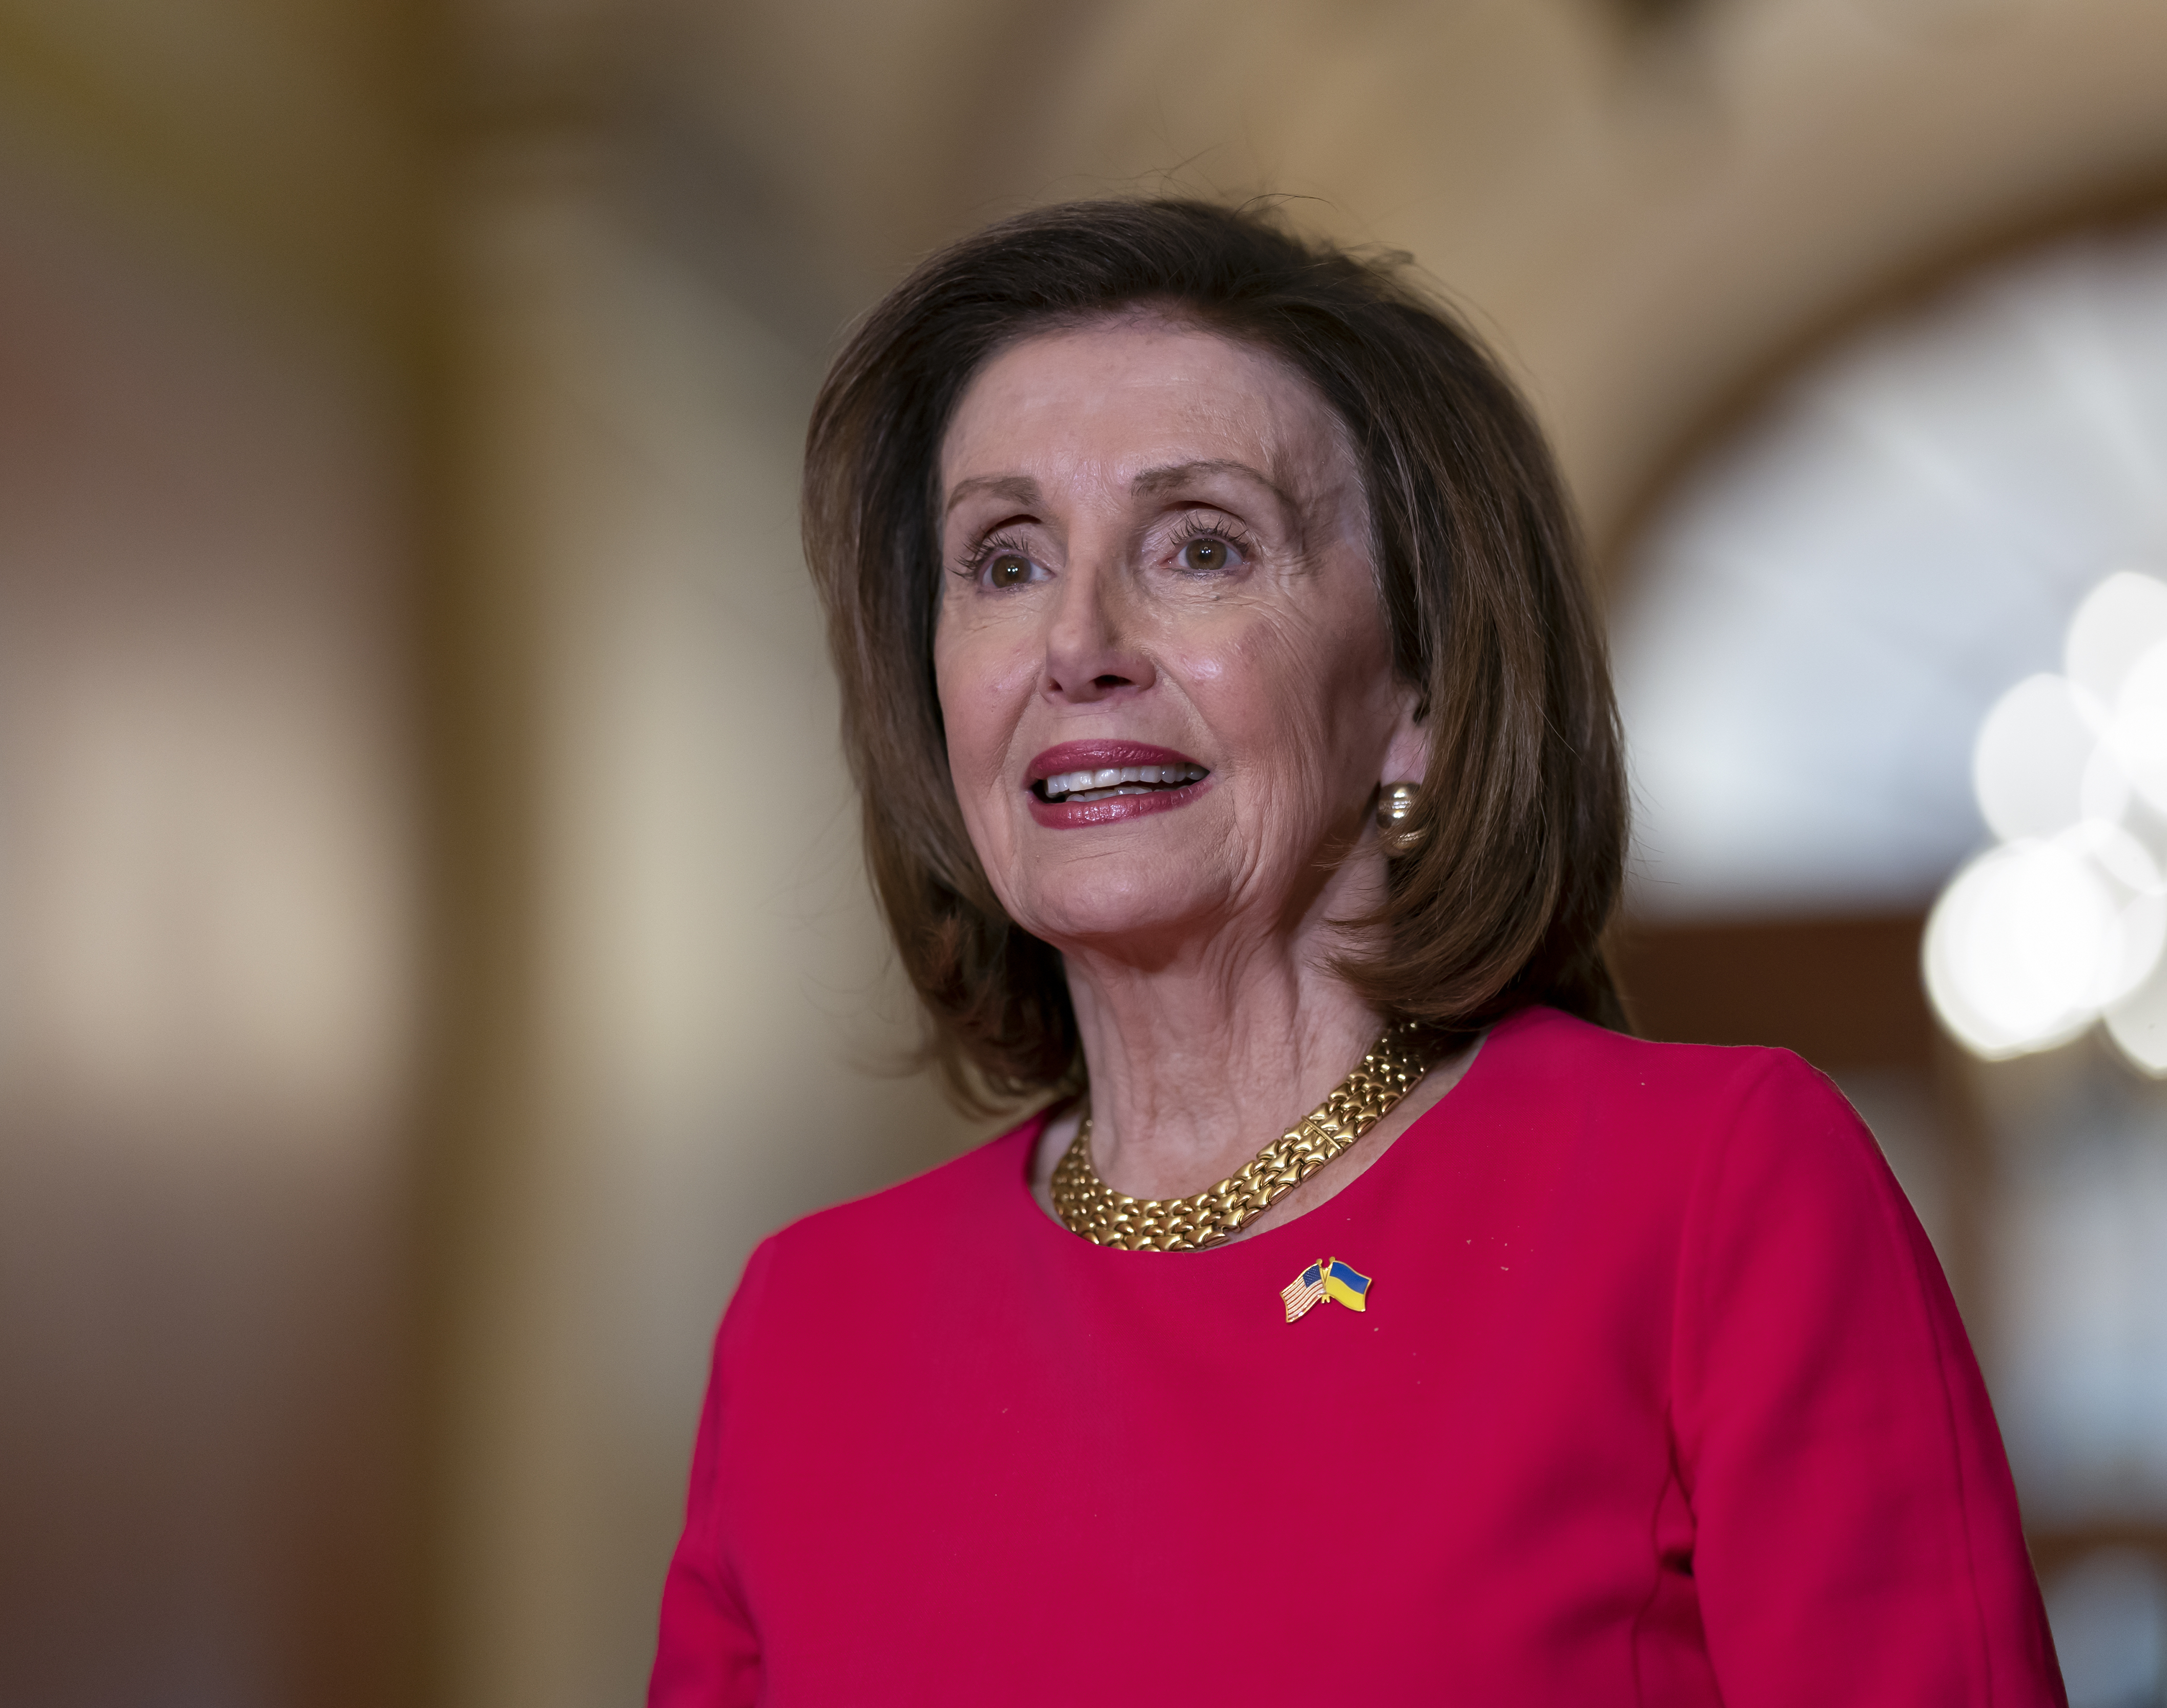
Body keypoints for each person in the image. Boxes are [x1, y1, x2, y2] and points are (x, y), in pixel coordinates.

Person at [649, 198, 2066, 1706]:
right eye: (1002, 562)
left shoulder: (1717, 1194)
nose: (1079, 643)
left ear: (1422, 694)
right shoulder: (810, 1328)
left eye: (1201, 547)